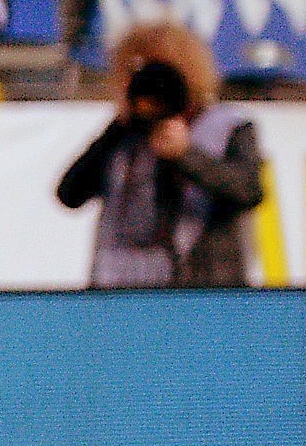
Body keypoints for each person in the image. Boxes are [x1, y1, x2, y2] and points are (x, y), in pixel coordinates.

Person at [58, 23, 264, 287]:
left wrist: (186, 155)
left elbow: (249, 191)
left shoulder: (227, 126)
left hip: (204, 291)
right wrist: (120, 126)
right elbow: (70, 194)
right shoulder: (124, 135)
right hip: (123, 296)